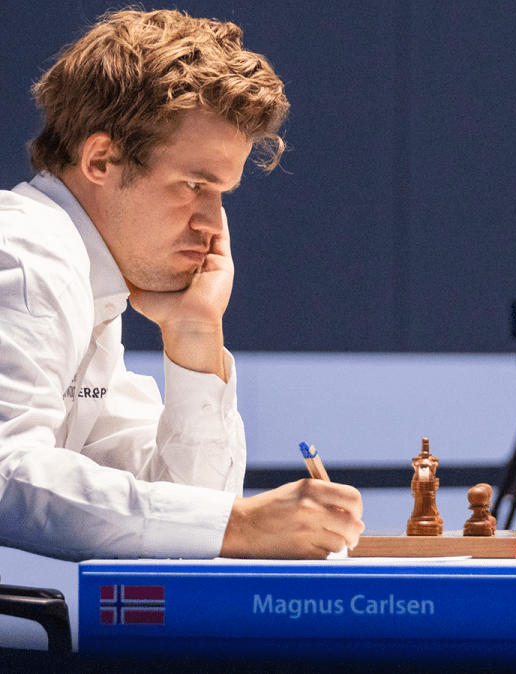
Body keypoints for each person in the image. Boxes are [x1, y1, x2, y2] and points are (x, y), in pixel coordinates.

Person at [0, 9, 363, 560]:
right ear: (101, 159)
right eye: (193, 184)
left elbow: (184, 517)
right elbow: (6, 478)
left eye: (222, 193)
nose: (214, 225)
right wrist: (236, 527)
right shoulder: (26, 254)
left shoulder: (86, 283)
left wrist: (196, 333)